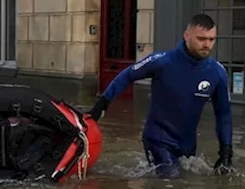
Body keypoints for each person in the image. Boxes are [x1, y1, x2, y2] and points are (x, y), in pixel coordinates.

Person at [87, 13, 234, 178]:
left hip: (187, 145)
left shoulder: (217, 72)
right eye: (201, 39)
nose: (207, 45)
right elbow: (128, 75)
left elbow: (223, 114)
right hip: (157, 139)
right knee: (171, 182)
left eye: (211, 39)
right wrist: (102, 104)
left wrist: (226, 152)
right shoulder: (162, 61)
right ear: (187, 35)